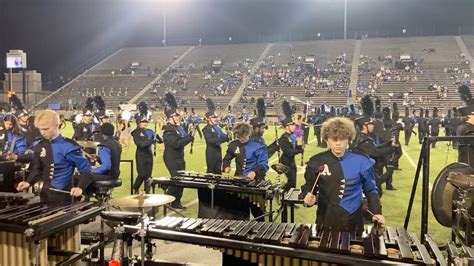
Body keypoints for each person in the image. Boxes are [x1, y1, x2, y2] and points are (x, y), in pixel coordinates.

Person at [301, 117, 384, 233]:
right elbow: (309, 188)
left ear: (349, 139)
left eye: (342, 139)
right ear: (326, 139)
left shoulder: (362, 160)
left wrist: (376, 211)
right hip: (325, 219)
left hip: (354, 220)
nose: (338, 143)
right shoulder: (316, 162)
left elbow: (371, 190)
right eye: (334, 139)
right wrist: (308, 199)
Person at [16, 110, 92, 203]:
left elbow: (86, 170)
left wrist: (80, 187)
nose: (42, 133)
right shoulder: (40, 145)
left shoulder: (69, 146)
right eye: (40, 129)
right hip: (44, 194)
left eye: (46, 129)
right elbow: (37, 169)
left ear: (56, 125)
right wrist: (28, 182)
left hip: (63, 196)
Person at [163, 94, 194, 209]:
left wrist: (189, 133)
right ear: (170, 117)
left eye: (177, 116)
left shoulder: (178, 128)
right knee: (177, 180)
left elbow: (182, 138)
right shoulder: (169, 130)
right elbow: (176, 144)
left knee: (182, 180)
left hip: (179, 157)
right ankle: (168, 199)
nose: (178, 117)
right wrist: (189, 138)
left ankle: (176, 202)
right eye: (175, 116)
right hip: (171, 158)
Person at [199, 103, 229, 218]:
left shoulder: (217, 128)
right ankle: (209, 197)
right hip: (211, 153)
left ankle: (217, 196)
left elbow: (225, 137)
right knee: (211, 173)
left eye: (216, 117)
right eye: (214, 118)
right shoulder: (206, 129)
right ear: (208, 119)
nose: (216, 119)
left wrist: (224, 137)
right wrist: (222, 138)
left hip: (218, 152)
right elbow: (213, 141)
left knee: (218, 174)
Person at [132, 107, 161, 193]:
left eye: (145, 122)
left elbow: (160, 141)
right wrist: (152, 140)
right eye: (142, 122)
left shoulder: (150, 131)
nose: (145, 123)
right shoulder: (135, 132)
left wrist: (157, 137)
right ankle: (136, 187)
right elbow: (141, 145)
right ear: (138, 123)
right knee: (142, 174)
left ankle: (147, 192)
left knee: (148, 176)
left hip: (149, 154)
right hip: (141, 155)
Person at [279, 112, 303, 192]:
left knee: (294, 182)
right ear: (287, 126)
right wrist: (298, 150)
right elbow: (288, 152)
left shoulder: (292, 135)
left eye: (294, 125)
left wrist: (300, 146)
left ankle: (290, 201)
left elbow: (298, 135)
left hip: (292, 161)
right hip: (285, 161)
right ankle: (280, 192)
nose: (294, 127)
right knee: (291, 181)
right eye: (292, 125)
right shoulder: (283, 137)